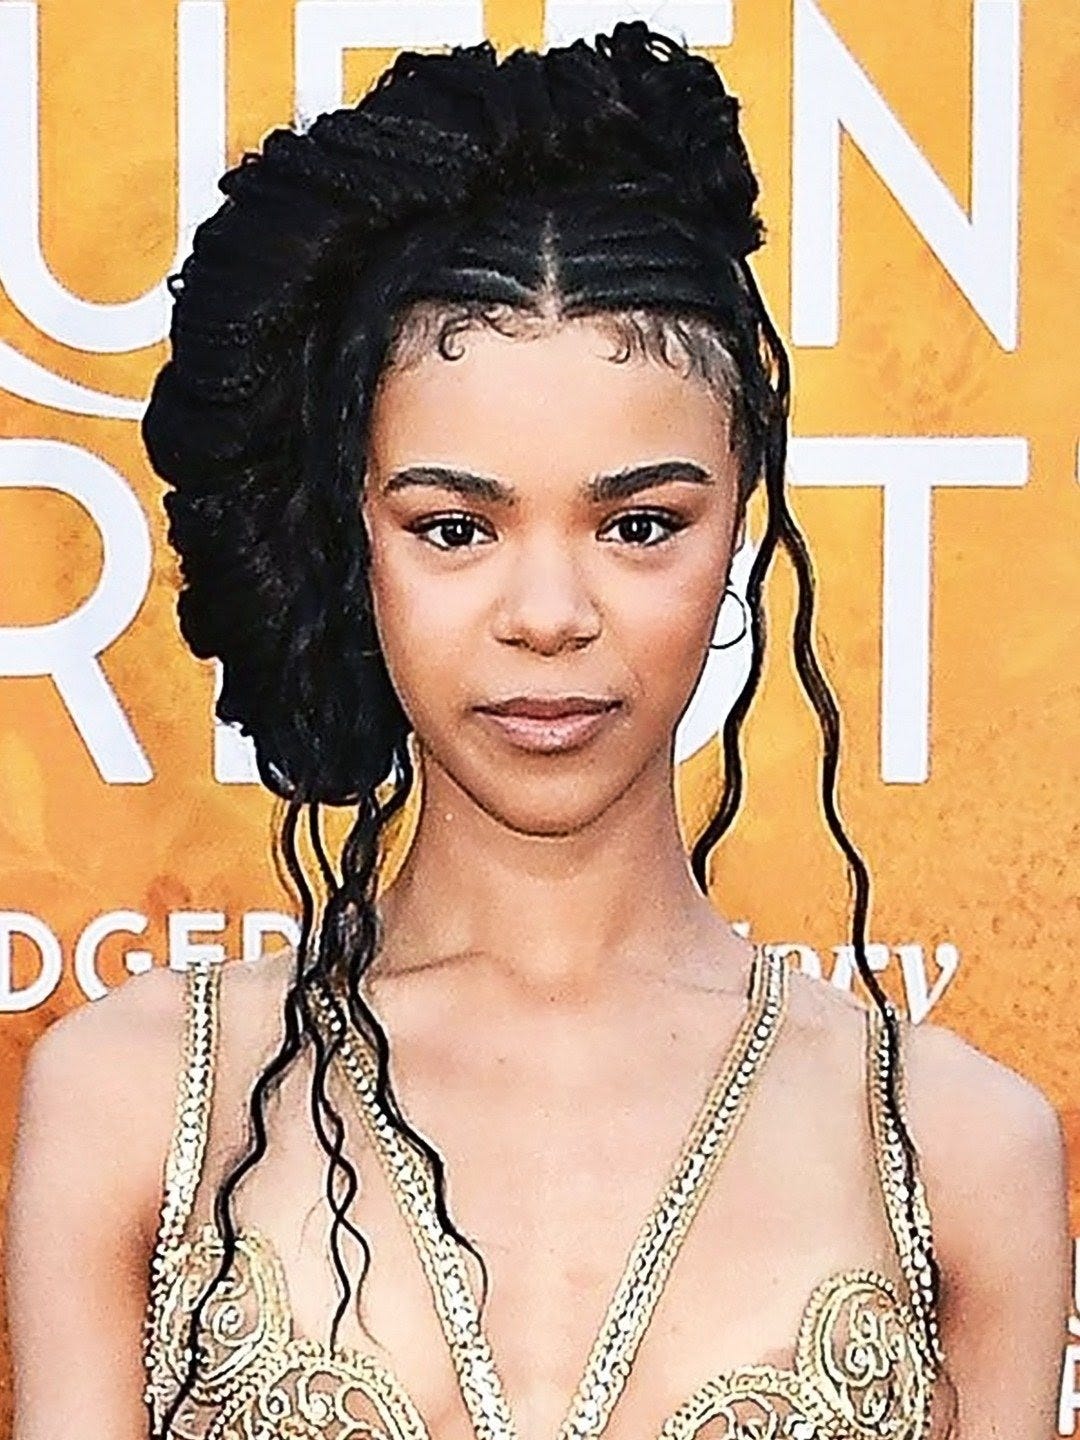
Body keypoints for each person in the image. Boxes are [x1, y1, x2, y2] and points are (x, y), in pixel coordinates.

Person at [4, 23, 1069, 1440]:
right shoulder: (137, 1099)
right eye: (456, 527)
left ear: (740, 525)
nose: (550, 615)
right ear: (348, 539)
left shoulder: (964, 1148)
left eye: (641, 525)